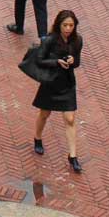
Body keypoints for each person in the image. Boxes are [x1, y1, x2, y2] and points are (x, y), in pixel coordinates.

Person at [28, 9, 83, 173]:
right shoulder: (50, 40)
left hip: (67, 83)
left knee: (70, 118)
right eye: (65, 25)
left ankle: (73, 156)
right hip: (51, 83)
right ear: (59, 25)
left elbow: (78, 61)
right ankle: (37, 137)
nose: (68, 28)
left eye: (71, 25)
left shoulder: (77, 40)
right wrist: (57, 62)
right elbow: (40, 60)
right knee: (44, 114)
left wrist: (73, 61)